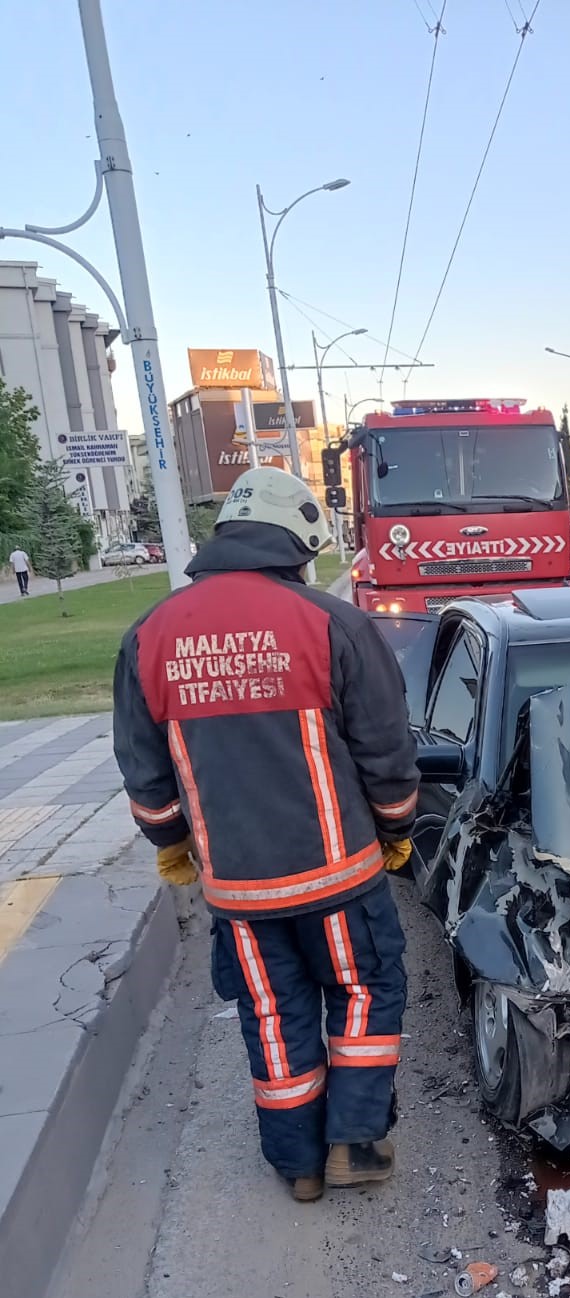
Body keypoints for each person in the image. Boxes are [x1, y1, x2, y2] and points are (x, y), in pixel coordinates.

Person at [112, 466, 419, 1203]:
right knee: (364, 990)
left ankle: (300, 1166)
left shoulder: (151, 635)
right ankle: (354, 1141)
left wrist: (174, 846)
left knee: (273, 1014)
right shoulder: (331, 622)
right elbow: (386, 755)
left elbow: (147, 779)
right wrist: (396, 830)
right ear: (298, 542)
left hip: (238, 887)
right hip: (337, 875)